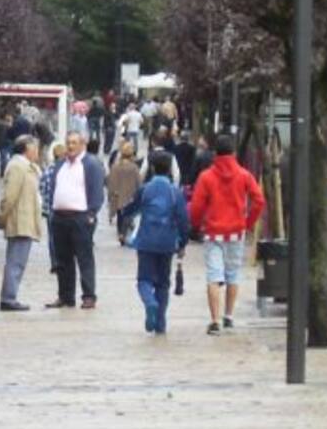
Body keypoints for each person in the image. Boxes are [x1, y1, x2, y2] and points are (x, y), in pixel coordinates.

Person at [189, 134, 266, 335]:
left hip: (213, 232)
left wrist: (197, 225)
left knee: (213, 276)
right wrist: (248, 223)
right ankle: (229, 316)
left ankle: (215, 321)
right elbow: (259, 201)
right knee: (233, 274)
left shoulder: (206, 177)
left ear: (215, 153)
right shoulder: (244, 175)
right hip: (236, 232)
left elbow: (196, 206)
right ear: (233, 153)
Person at [118, 150, 190, 334]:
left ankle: (150, 303)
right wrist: (182, 243)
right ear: (170, 170)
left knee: (144, 280)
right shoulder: (175, 193)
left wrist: (123, 215)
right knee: (163, 283)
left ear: (151, 167)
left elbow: (130, 210)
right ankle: (160, 322)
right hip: (167, 243)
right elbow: (183, 220)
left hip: (146, 241)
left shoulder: (146, 190)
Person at [45, 131, 106, 310]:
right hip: (59, 217)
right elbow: (53, 188)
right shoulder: (60, 165)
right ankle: (65, 296)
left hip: (80, 218)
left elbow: (97, 192)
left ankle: (88, 296)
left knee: (84, 258)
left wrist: (91, 214)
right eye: (68, 143)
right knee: (62, 260)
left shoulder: (91, 164)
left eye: (74, 143)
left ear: (82, 145)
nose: (70, 146)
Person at [0, 137, 44, 312]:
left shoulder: (27, 167)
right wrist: (3, 217)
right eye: (36, 148)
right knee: (15, 262)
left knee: (17, 261)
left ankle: (10, 296)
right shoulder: (18, 166)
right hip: (20, 221)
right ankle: (8, 298)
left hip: (25, 221)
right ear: (27, 148)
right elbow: (10, 196)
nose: (38, 152)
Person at [39, 142, 67, 275]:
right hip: (65, 210)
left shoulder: (48, 170)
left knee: (52, 237)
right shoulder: (67, 170)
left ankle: (55, 262)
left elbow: (42, 189)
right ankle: (64, 260)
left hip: (50, 210)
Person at [107, 140, 143, 241]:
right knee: (129, 216)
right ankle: (124, 233)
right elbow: (139, 183)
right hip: (130, 197)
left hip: (118, 197)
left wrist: (110, 196)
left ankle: (120, 233)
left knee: (120, 216)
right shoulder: (134, 167)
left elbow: (111, 183)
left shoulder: (115, 167)